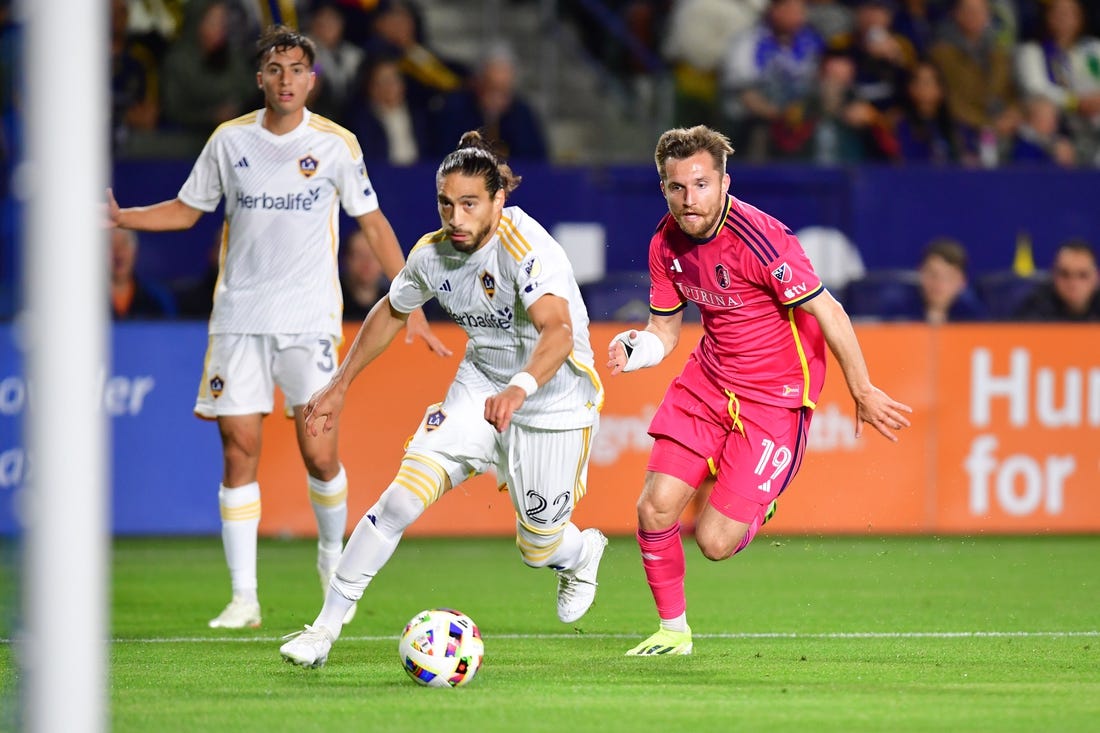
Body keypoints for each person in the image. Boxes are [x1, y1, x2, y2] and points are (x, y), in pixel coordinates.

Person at [107, 25, 448, 630]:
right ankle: (244, 597)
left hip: (309, 320)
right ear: (259, 77)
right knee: (238, 450)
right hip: (239, 319)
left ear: (311, 79)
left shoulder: (336, 145)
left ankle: (329, 560)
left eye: (296, 69)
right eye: (275, 68)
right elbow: (189, 210)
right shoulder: (229, 141)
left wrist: (411, 300)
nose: (286, 79)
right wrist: (122, 216)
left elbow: (373, 224)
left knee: (319, 454)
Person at [279, 131, 608, 669]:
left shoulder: (527, 248)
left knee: (539, 548)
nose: (456, 217)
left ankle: (581, 552)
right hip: (480, 386)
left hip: (553, 400)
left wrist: (519, 389)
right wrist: (339, 384)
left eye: (470, 204)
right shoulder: (432, 255)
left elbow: (559, 333)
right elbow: (390, 309)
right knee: (402, 499)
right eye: (446, 204)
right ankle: (322, 630)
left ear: (498, 200)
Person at [608, 125, 911, 656]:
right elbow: (664, 331)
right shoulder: (664, 242)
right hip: (708, 380)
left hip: (776, 396)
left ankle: (755, 504)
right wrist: (639, 350)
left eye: (701, 184)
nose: (689, 198)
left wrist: (860, 389)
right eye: (677, 187)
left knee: (714, 543)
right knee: (654, 508)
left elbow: (829, 311)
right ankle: (673, 632)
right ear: (663, 189)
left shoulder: (762, 238)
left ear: (724, 182)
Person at [1014, 239, 1100, 321]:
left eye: (1083, 275)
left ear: (1096, 277)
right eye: (1065, 274)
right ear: (1054, 275)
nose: (1073, 283)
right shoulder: (1034, 307)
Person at [109, 228, 176, 319]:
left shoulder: (158, 298)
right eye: (111, 245)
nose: (119, 253)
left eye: (124, 244)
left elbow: (171, 330)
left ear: (135, 251)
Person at [340, 229, 387, 321]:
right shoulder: (331, 300)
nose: (367, 263)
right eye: (359, 255)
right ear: (346, 259)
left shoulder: (396, 302)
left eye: (373, 255)